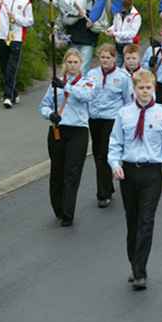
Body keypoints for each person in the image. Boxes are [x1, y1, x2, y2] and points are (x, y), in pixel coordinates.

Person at [107, 69, 162, 291]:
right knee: (133, 221)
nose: (145, 92)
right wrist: (115, 164)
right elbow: (115, 142)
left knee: (146, 221)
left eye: (148, 88)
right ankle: (134, 263)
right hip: (129, 172)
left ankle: (140, 271)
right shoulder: (124, 114)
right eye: (141, 88)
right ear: (134, 90)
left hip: (151, 173)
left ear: (154, 89)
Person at [39, 48, 94, 227]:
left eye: (75, 62)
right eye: (69, 62)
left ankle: (68, 213)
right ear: (65, 64)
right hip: (58, 130)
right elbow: (44, 105)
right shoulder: (55, 84)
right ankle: (58, 208)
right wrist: (50, 114)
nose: (72, 65)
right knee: (57, 171)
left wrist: (66, 87)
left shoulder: (86, 82)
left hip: (78, 131)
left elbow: (86, 96)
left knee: (72, 172)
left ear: (81, 64)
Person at [86, 44, 133, 208]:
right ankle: (108, 185)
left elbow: (128, 101)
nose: (105, 60)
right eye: (102, 57)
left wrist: (126, 121)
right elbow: (87, 94)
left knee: (105, 153)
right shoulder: (91, 74)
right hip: (95, 118)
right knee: (98, 153)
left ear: (114, 58)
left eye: (108, 57)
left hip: (112, 119)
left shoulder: (123, 77)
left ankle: (103, 194)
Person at [63, 0, 99, 75]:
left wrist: (93, 24)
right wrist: (78, 15)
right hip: (74, 40)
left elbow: (102, 24)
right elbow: (66, 20)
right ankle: (69, 88)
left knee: (83, 68)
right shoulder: (75, 1)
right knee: (71, 67)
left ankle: (81, 88)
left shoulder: (96, 5)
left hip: (88, 42)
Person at [106, 0, 142, 67]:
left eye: (124, 8)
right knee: (116, 66)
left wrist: (114, 33)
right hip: (118, 44)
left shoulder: (136, 16)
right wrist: (110, 29)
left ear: (129, 6)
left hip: (129, 45)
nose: (122, 10)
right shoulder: (117, 13)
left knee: (129, 66)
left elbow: (132, 34)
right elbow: (115, 25)